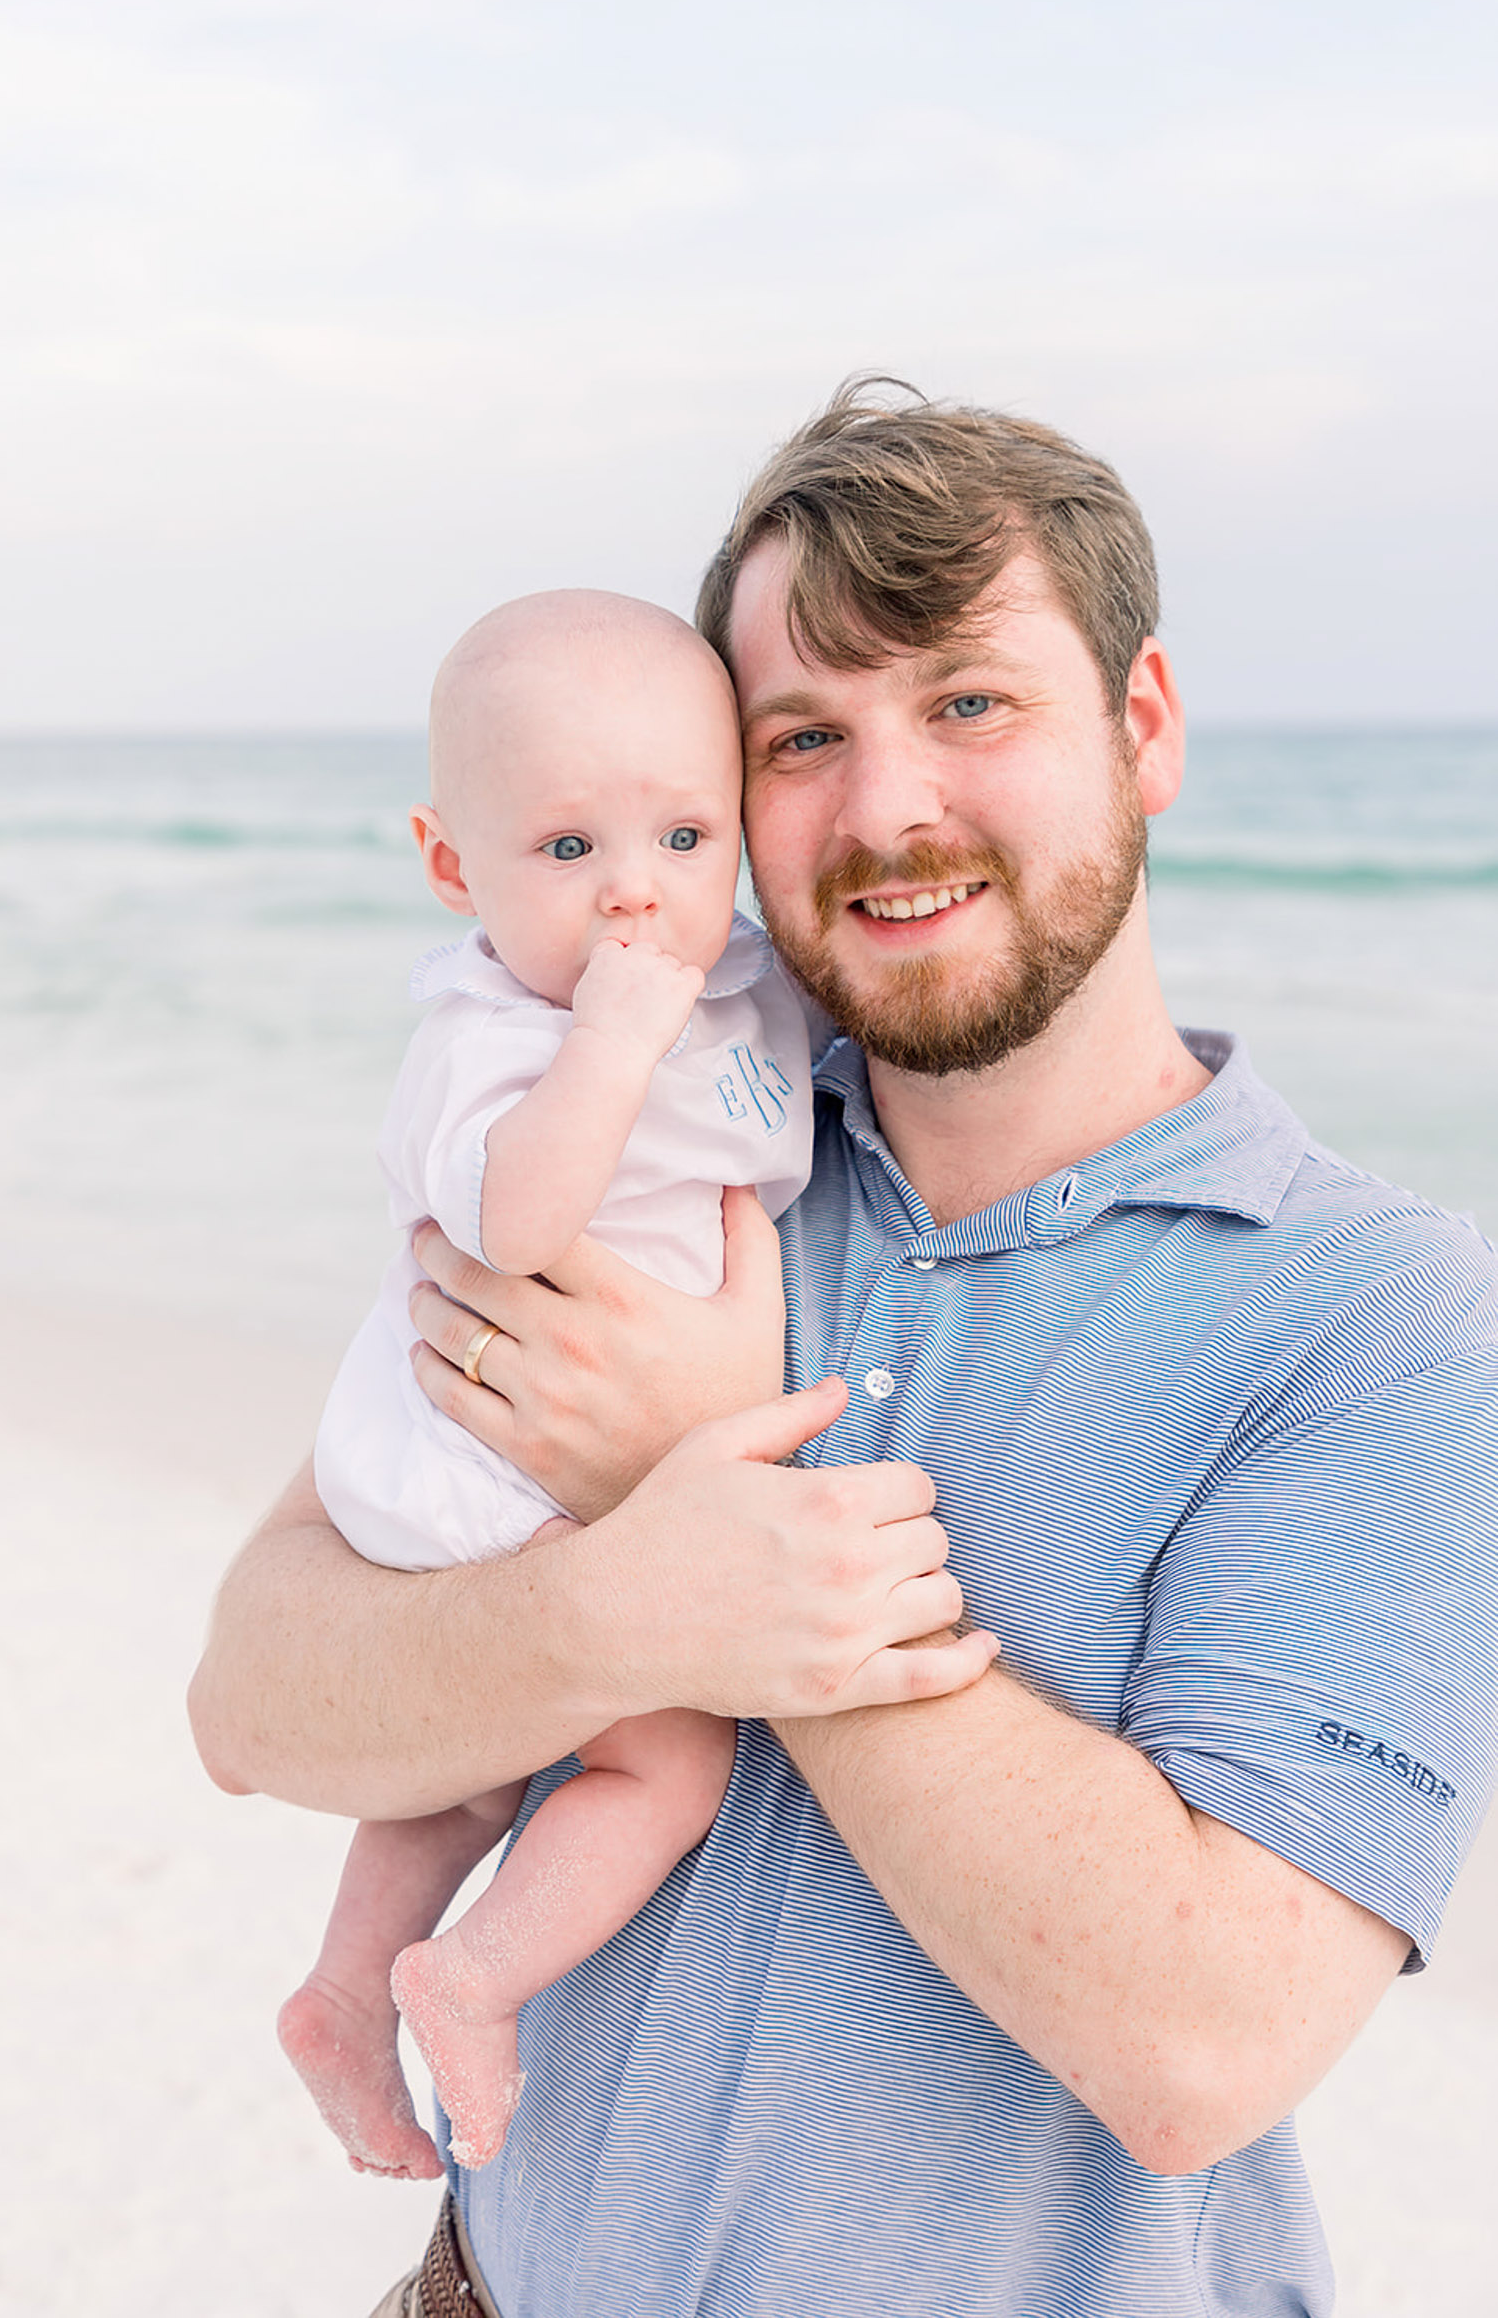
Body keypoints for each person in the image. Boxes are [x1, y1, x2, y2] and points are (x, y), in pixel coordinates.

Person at [190, 382, 1498, 2318]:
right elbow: (256, 1694)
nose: (887, 804)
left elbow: (1200, 2040)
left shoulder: (1376, 1318)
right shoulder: (679, 1144)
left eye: (970, 699)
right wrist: (623, 1595)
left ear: (1142, 731)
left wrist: (724, 1497)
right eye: (806, 733)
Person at [276, 591, 929, 2181]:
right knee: (665, 1756)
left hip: (573, 1449)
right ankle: (470, 1976)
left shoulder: (737, 982)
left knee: (485, 1757)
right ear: (457, 867)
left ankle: (345, 1987)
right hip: (496, 1456)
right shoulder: (497, 1035)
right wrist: (612, 1051)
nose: (637, 893)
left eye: (687, 838)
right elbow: (512, 1220)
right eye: (568, 851)